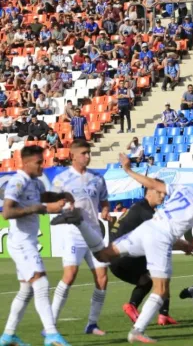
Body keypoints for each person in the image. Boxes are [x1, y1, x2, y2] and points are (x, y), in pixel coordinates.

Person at [51, 153, 193, 343]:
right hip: (160, 239)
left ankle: (79, 222)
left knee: (103, 256)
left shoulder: (184, 188)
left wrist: (128, 170)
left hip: (147, 229)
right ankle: (137, 331)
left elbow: (153, 184)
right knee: (160, 289)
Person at [0, 146, 73, 346]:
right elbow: (7, 212)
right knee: (40, 284)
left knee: (26, 290)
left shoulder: (35, 182)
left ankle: (8, 336)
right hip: (21, 242)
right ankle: (51, 334)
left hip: (28, 241)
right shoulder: (17, 181)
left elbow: (44, 198)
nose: (43, 165)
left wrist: (63, 196)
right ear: (26, 162)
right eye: (39, 162)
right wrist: (40, 209)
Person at [50, 139, 111, 336]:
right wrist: (63, 206)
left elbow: (104, 200)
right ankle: (50, 323)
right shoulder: (61, 179)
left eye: (88, 153)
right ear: (73, 155)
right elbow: (53, 204)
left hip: (94, 233)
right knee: (70, 275)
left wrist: (105, 212)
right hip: (74, 233)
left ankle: (92, 323)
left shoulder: (97, 178)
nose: (87, 156)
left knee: (102, 279)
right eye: (83, 153)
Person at [109, 183, 183, 326]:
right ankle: (162, 314)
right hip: (124, 257)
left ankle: (136, 307)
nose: (163, 195)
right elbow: (165, 234)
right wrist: (185, 245)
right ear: (148, 193)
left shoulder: (139, 208)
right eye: (160, 193)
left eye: (164, 193)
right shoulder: (145, 211)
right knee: (161, 273)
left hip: (117, 259)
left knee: (148, 280)